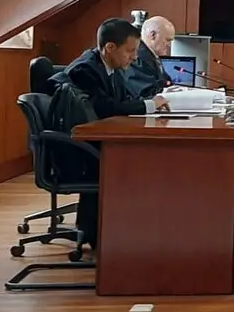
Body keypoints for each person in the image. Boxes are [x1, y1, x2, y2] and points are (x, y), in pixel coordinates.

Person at [49, 18, 169, 249]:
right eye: (130, 51)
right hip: (79, 152)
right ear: (110, 47)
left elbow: (123, 101)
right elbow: (106, 108)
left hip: (92, 144)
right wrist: (150, 105)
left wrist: (149, 103)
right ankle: (112, 235)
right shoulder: (86, 69)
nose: (134, 57)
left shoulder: (110, 67)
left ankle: (117, 230)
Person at [124, 15, 175, 98]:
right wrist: (165, 90)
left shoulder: (153, 56)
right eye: (167, 40)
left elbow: (166, 81)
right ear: (153, 35)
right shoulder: (137, 56)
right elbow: (144, 91)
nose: (169, 45)